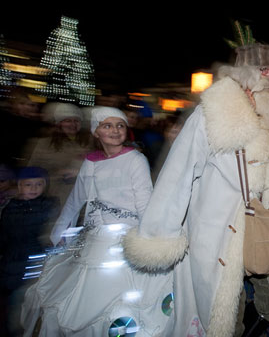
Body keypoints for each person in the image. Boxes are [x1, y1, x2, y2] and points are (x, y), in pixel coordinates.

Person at [122, 43, 269, 337]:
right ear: (245, 74)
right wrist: (158, 234)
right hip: (220, 230)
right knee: (225, 311)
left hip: (268, 227)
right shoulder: (210, 114)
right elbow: (178, 173)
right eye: (264, 70)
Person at [21, 107, 172, 337]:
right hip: (95, 237)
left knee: (121, 297)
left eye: (120, 126)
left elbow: (145, 202)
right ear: (96, 132)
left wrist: (150, 238)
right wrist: (61, 229)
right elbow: (77, 199)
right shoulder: (90, 161)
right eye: (107, 126)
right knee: (79, 294)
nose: (115, 130)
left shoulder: (135, 160)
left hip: (126, 236)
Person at [0, 167, 59, 335]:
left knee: (36, 300)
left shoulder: (48, 206)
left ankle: (32, 328)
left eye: (39, 184)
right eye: (28, 184)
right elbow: (4, 235)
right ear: (19, 186)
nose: (33, 188)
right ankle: (17, 329)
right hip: (15, 263)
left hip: (38, 261)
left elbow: (51, 231)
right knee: (17, 303)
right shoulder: (10, 208)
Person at [24, 103, 92, 207]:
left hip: (82, 196)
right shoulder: (43, 144)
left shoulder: (88, 143)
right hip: (53, 196)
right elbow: (31, 171)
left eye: (76, 121)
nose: (73, 124)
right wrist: (57, 174)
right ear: (58, 123)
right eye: (68, 120)